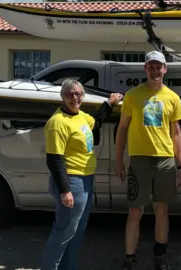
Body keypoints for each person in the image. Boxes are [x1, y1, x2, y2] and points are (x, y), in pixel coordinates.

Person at [115, 50, 181, 270]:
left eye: (159, 66)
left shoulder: (172, 97)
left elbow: (176, 133)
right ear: (145, 69)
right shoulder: (132, 95)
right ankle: (129, 258)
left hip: (165, 160)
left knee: (161, 210)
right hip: (139, 161)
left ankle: (160, 255)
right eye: (151, 66)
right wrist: (119, 160)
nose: (155, 70)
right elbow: (122, 129)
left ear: (165, 69)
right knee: (135, 211)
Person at [41, 79, 123, 270]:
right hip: (71, 182)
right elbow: (54, 159)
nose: (74, 98)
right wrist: (65, 191)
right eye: (69, 94)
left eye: (78, 94)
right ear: (62, 97)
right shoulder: (57, 122)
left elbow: (96, 123)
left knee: (76, 231)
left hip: (85, 181)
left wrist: (109, 104)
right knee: (63, 233)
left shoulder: (81, 116)